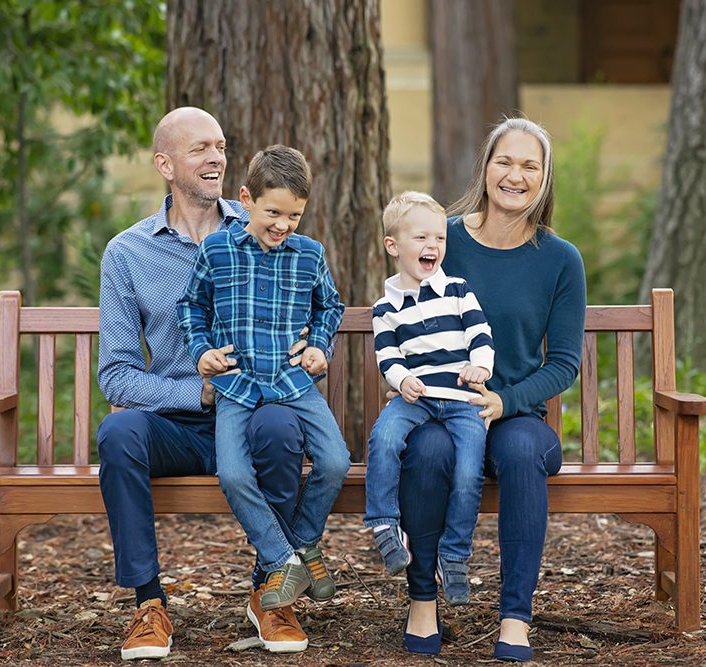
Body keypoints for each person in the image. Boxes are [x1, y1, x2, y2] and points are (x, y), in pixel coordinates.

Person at [96, 108, 321, 660]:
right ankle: (149, 605)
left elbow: (316, 309)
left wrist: (315, 348)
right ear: (164, 164)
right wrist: (195, 392)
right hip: (178, 426)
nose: (215, 157)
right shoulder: (128, 254)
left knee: (280, 426)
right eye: (199, 148)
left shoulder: (265, 229)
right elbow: (116, 373)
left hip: (251, 417)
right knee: (119, 434)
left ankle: (270, 589)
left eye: (220, 146)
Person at [396, 117, 586, 661]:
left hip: (517, 416)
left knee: (524, 450)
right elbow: (402, 318)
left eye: (530, 165)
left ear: (545, 179)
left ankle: (515, 617)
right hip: (443, 412)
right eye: (505, 160)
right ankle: (423, 600)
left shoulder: (559, 259)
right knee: (428, 449)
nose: (515, 175)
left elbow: (564, 364)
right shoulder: (443, 240)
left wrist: (504, 400)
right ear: (485, 166)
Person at [176, 144, 351, 651]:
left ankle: (300, 545)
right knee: (231, 472)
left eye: (294, 215)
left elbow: (330, 307)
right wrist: (203, 351)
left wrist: (319, 347)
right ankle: (284, 560)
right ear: (246, 198)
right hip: (237, 383)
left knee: (336, 462)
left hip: (293, 382)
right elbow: (193, 307)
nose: (283, 225)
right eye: (273, 212)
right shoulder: (217, 250)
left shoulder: (309, 254)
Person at [364, 191, 493, 609]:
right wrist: (401, 381)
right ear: (393, 246)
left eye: (439, 238)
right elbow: (388, 356)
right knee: (383, 439)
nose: (433, 246)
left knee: (469, 472)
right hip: (415, 397)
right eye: (421, 238)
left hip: (461, 399)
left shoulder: (457, 289)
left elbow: (480, 335)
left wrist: (481, 368)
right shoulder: (385, 307)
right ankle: (384, 524)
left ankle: (454, 555)